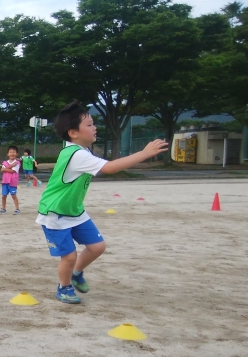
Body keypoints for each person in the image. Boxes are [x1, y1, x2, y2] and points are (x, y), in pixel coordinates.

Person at [37, 100, 168, 304]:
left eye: (93, 123)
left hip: (75, 211)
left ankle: (77, 274)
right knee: (69, 257)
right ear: (73, 132)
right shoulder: (76, 154)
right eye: (89, 125)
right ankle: (64, 287)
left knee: (97, 247)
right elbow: (110, 168)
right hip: (56, 213)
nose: (94, 127)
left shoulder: (81, 150)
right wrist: (144, 153)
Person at [0, 146, 21, 214]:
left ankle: (17, 209)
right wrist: (11, 166)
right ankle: (3, 208)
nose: (12, 153)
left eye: (14, 152)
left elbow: (12, 171)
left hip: (12, 182)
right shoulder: (5, 162)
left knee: (13, 195)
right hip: (5, 181)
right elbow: (3, 170)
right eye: (10, 152)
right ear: (7, 154)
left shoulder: (17, 163)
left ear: (17, 154)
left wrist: (4, 169)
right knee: (3, 196)